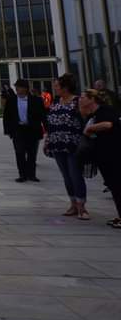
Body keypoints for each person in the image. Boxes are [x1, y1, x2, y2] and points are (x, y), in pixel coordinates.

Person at [44, 74, 89, 220]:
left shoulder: (77, 102)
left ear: (65, 87)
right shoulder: (56, 102)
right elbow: (50, 123)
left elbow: (85, 120)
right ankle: (73, 203)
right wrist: (48, 140)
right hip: (57, 144)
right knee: (66, 175)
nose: (55, 88)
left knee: (75, 174)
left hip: (73, 144)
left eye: (57, 86)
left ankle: (82, 206)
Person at [77, 88, 121, 228]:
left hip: (114, 154)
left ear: (91, 99)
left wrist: (90, 129)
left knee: (117, 185)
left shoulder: (104, 110)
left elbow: (108, 124)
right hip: (103, 155)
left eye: (83, 97)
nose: (80, 99)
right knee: (113, 186)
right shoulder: (92, 114)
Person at [3, 78, 48, 183]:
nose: (17, 89)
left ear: (25, 88)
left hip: (32, 129)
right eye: (16, 87)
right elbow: (6, 116)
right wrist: (8, 131)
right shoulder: (11, 100)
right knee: (19, 153)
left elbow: (43, 116)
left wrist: (47, 129)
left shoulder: (36, 100)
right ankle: (22, 174)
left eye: (19, 87)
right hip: (18, 130)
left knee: (32, 153)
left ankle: (32, 174)